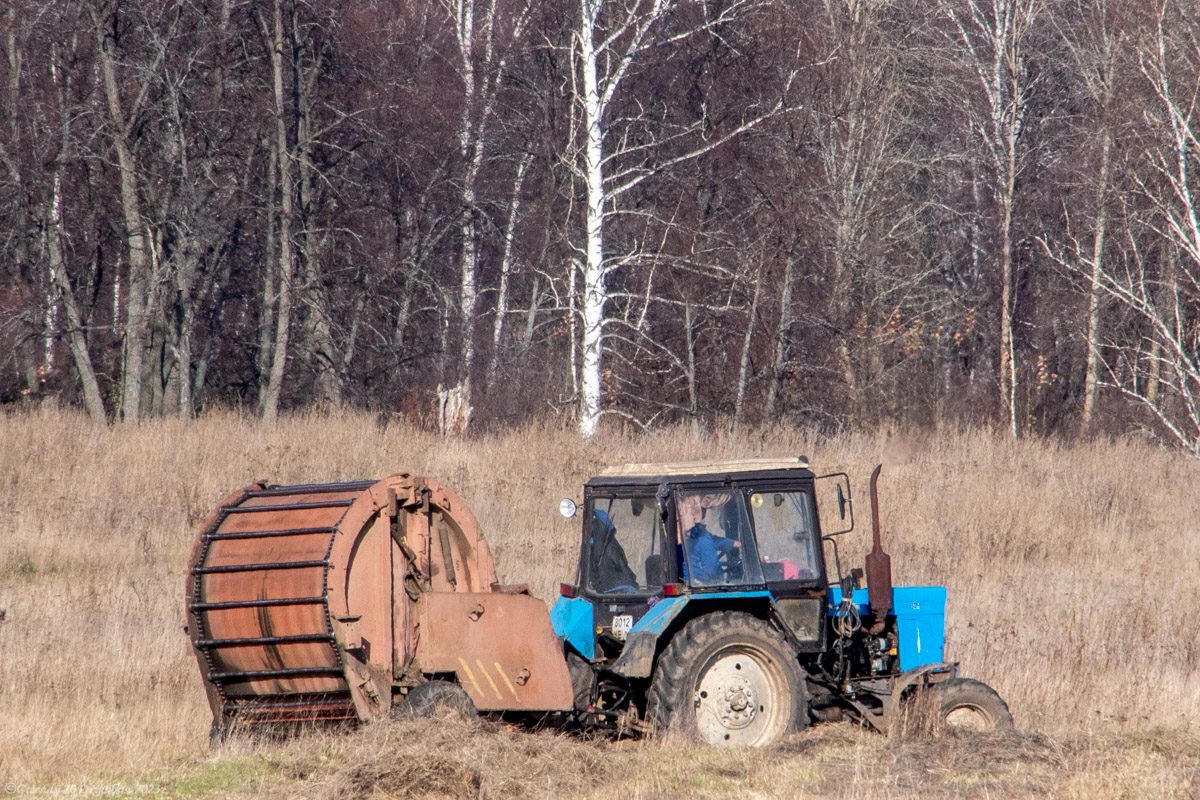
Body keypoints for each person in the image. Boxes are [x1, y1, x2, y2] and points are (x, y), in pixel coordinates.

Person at [684, 520, 739, 585]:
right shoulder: (698, 535)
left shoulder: (700, 533)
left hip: (692, 583)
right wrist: (718, 578)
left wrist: (735, 543)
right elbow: (711, 568)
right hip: (701, 584)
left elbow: (714, 541)